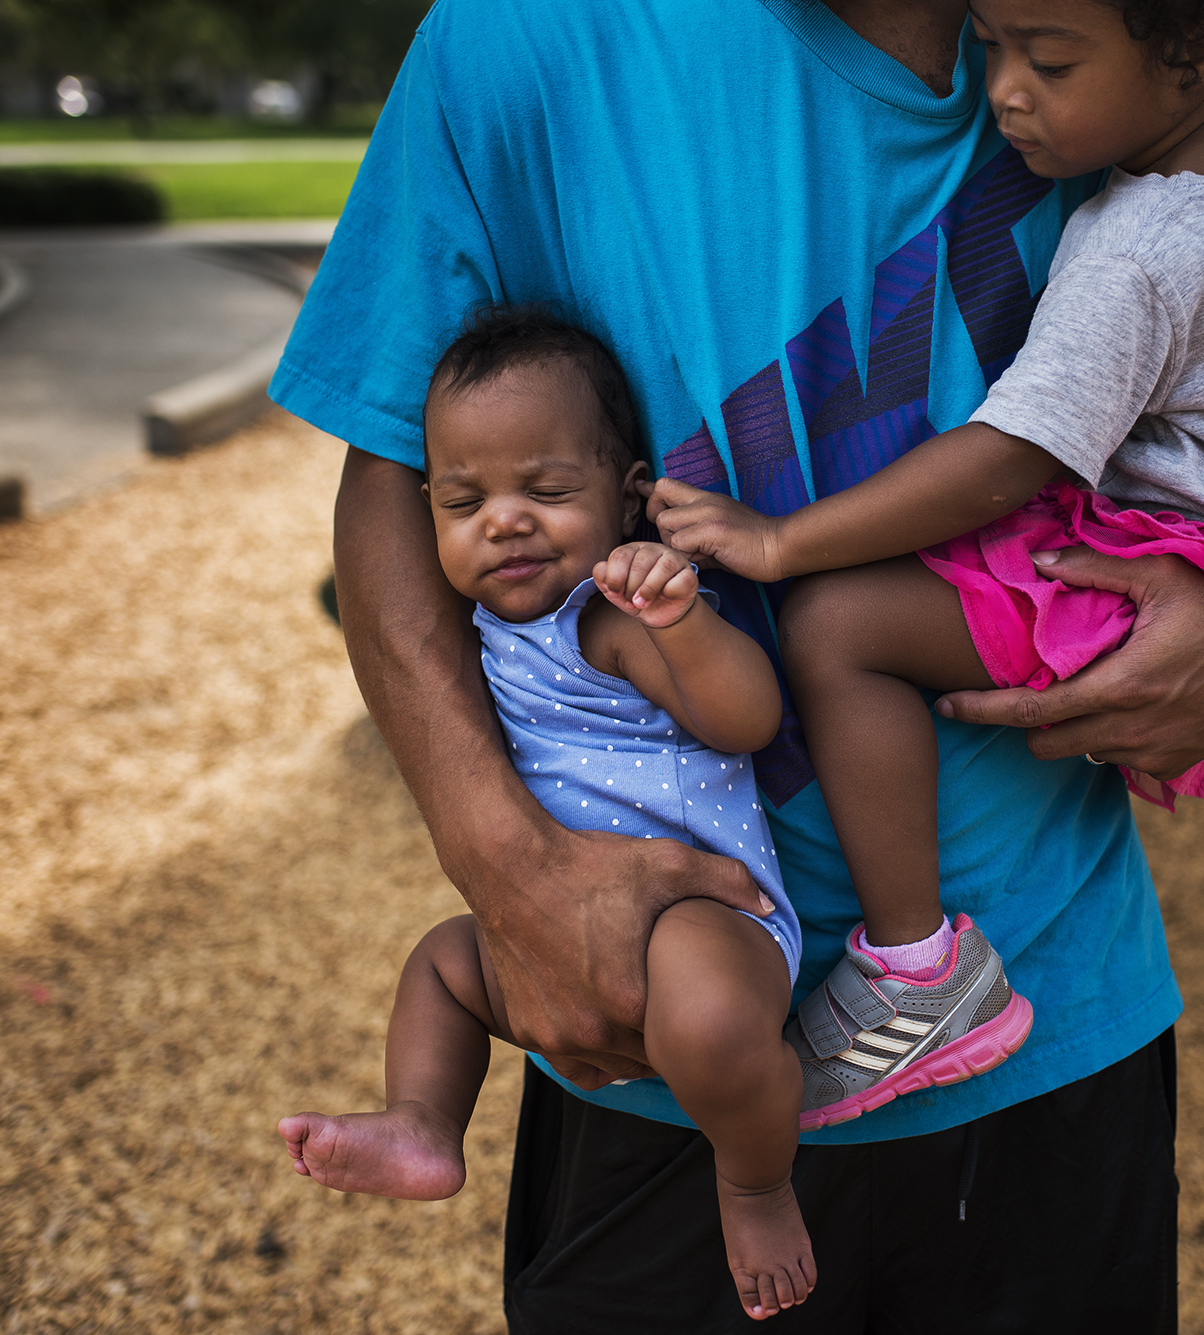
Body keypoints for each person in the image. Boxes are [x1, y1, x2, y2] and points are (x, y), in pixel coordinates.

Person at [270, 0, 1204, 1327]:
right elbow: (392, 470)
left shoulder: (1106, 30)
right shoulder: (523, 36)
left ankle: (922, 966)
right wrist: (508, 866)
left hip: (1059, 1006)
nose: (1017, 85)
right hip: (658, 1045)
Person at [645, 0, 1204, 1132]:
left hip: (1160, 566)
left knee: (839, 627)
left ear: (1201, 42)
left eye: (1048, 60)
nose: (1001, 93)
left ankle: (913, 965)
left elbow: (1004, 461)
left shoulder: (1138, 244)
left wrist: (779, 540)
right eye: (991, 46)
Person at [279, 307, 836, 1318]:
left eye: (544, 490)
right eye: (463, 502)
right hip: (545, 924)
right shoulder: (481, 631)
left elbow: (746, 720)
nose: (504, 520)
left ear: (625, 499)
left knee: (707, 1020)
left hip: (705, 917)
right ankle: (423, 1122)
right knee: (442, 966)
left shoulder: (611, 615)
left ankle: (753, 1182)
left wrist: (682, 618)